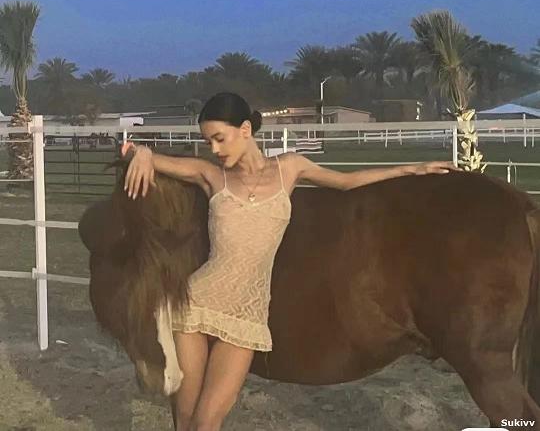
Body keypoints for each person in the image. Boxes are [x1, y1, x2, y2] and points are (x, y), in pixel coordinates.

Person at [121, 91, 459, 431]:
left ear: (245, 129)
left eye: (219, 138)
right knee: (185, 421)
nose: (215, 149)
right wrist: (143, 153)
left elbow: (347, 182)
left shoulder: (290, 168)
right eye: (209, 141)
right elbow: (141, 154)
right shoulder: (211, 175)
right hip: (196, 306)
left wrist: (413, 169)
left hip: (247, 314)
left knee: (207, 422)